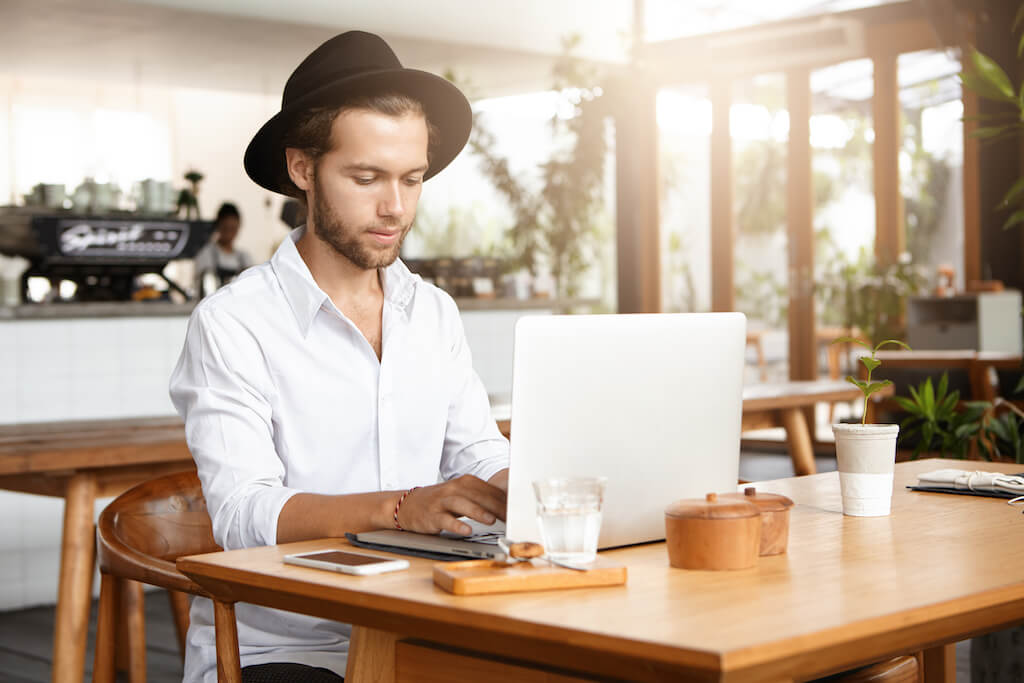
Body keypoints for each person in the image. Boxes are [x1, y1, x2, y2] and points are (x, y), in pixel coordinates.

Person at [169, 31, 508, 683]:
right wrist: (401, 507)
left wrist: (528, 484)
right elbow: (245, 512)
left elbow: (477, 452)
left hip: (427, 623)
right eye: (366, 177)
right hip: (285, 649)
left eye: (412, 179)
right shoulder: (232, 324)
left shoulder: (433, 313)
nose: (396, 207)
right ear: (303, 168)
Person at [192, 201, 251, 296]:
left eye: (232, 228)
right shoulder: (206, 254)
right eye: (226, 228)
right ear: (218, 226)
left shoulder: (244, 257)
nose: (229, 233)